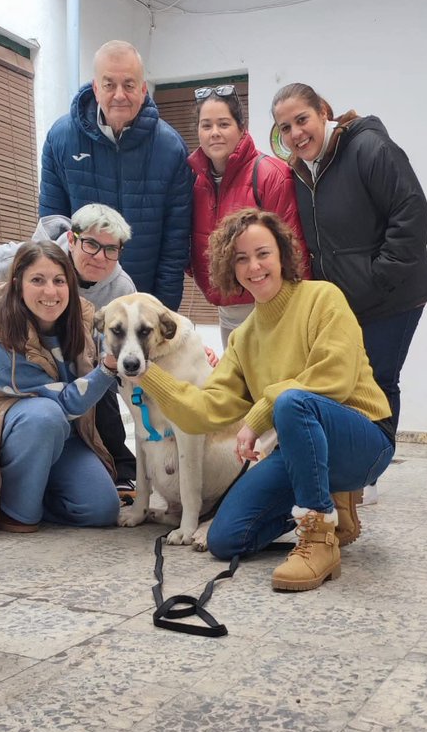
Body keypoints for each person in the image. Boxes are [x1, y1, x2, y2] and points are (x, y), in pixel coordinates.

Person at [111, 209, 395, 592]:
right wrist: (146, 371)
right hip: (300, 449)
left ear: (283, 254)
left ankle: (318, 538)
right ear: (231, 268)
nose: (254, 266)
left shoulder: (323, 298)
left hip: (363, 440)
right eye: (241, 258)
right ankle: (325, 502)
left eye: (263, 253)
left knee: (292, 403)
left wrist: (260, 412)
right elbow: (206, 410)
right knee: (226, 539)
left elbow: (335, 378)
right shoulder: (244, 337)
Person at [271, 83, 427, 502]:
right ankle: (350, 469)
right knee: (345, 383)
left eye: (302, 120)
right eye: (285, 127)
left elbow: (411, 212)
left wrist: (378, 278)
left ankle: (370, 473)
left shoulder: (369, 149)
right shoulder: (303, 170)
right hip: (345, 302)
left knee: (379, 379)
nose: (295, 133)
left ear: (323, 112)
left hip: (392, 298)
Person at [0, 205, 137, 509]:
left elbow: (119, 351)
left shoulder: (121, 289)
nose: (99, 256)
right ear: (71, 239)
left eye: (111, 249)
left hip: (68, 365)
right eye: (91, 244)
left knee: (99, 385)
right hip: (10, 364)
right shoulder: (11, 261)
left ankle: (115, 467)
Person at [38, 40, 192, 308]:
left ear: (143, 90)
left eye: (129, 85)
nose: (119, 94)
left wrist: (162, 312)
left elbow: (174, 245)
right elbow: (52, 229)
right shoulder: (61, 139)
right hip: (75, 303)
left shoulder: (171, 148)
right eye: (109, 85)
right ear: (96, 89)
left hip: (141, 305)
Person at [188, 84, 309, 346]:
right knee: (237, 387)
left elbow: (295, 253)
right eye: (206, 125)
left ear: (241, 128)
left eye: (223, 124)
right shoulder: (195, 183)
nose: (215, 133)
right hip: (226, 314)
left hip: (271, 309)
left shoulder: (270, 175)